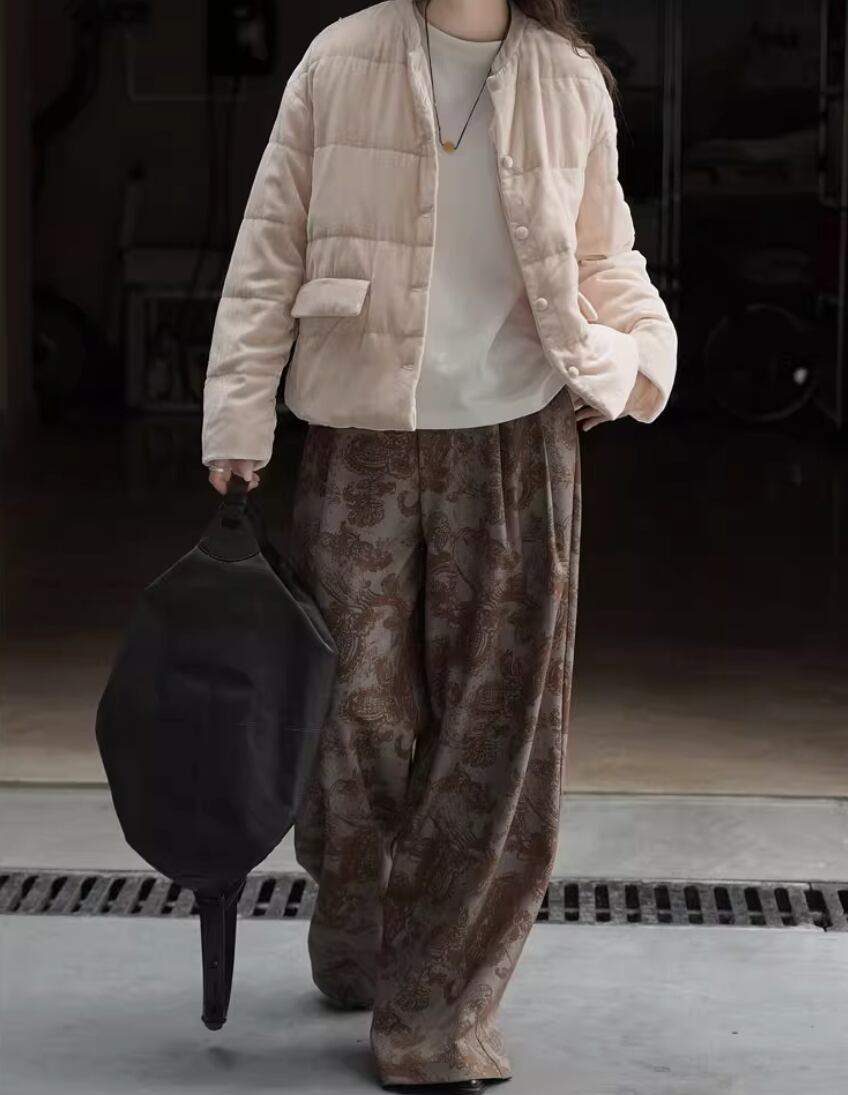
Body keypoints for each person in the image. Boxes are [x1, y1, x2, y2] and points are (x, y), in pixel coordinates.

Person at [201, 0, 677, 1090]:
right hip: (360, 434)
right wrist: (237, 416)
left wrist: (635, 361)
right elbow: (270, 242)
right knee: (351, 714)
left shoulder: (568, 77)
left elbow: (605, 254)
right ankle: (364, 921)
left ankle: (436, 1013)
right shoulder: (339, 57)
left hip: (520, 441)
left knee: (497, 731)